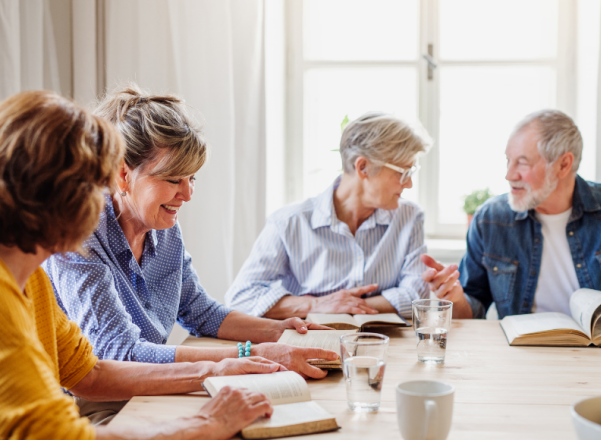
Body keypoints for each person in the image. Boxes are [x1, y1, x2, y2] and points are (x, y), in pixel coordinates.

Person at [0, 90, 286, 440]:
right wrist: (205, 423)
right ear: (55, 192)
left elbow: (88, 375)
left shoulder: (33, 283)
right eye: (95, 182)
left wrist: (219, 368)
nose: (102, 197)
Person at [43, 85, 337, 384]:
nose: (187, 194)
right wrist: (250, 353)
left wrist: (279, 330)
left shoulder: (164, 229)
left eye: (191, 178)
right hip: (86, 403)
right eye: (173, 179)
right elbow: (118, 353)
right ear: (122, 174)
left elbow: (199, 311)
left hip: (150, 386)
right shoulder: (80, 238)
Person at [421, 109, 601, 329]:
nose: (509, 174)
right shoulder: (491, 219)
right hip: (522, 355)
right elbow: (472, 310)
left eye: (522, 163)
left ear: (563, 164)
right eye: (508, 160)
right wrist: (453, 297)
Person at [226, 112, 432, 319]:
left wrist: (344, 305)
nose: (409, 184)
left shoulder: (410, 216)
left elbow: (417, 295)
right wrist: (316, 305)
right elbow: (241, 297)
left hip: (386, 344)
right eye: (403, 173)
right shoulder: (289, 222)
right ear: (363, 167)